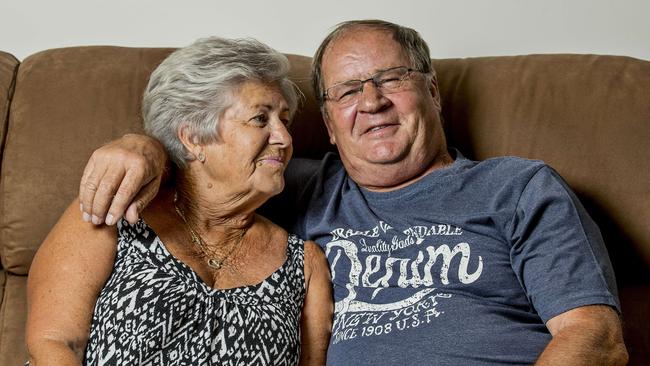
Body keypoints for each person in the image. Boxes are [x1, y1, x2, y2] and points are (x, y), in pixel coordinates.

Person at [75, 20, 627, 365]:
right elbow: (204, 166)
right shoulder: (292, 183)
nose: (371, 101)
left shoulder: (517, 187)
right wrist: (143, 146)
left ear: (432, 91)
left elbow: (593, 336)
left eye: (391, 78)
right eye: (345, 92)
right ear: (330, 124)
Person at [25, 36, 332, 365]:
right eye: (260, 119)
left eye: (284, 121)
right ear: (193, 137)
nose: (284, 139)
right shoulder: (114, 209)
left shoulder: (304, 265)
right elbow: (54, 344)